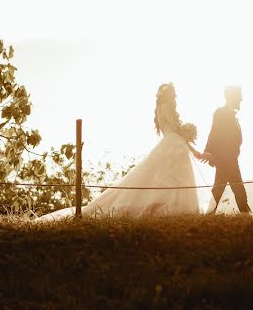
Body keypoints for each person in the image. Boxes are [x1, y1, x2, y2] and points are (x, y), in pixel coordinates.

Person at [38, 82, 204, 220]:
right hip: (172, 144)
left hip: (174, 143)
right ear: (169, 96)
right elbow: (175, 129)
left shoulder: (159, 109)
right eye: (174, 95)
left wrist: (193, 149)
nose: (175, 98)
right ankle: (172, 209)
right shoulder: (166, 107)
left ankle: (173, 209)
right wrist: (188, 132)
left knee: (169, 177)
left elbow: (175, 131)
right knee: (171, 177)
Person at [203, 86, 251, 214]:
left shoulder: (232, 115)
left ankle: (209, 214)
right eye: (239, 97)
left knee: (220, 187)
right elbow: (214, 132)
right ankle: (246, 214)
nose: (241, 100)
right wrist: (208, 151)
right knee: (237, 187)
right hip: (226, 158)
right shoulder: (221, 112)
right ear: (233, 97)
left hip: (229, 158)